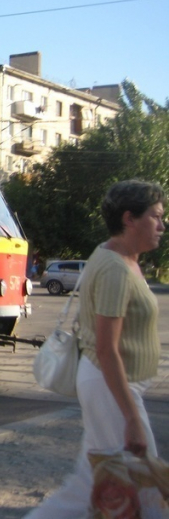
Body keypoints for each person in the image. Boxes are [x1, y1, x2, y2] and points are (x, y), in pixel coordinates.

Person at [24, 180, 164, 518]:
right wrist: (131, 416)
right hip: (112, 386)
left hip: (110, 384)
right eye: (156, 217)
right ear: (130, 219)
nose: (162, 225)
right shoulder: (116, 268)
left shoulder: (120, 258)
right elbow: (106, 348)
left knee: (90, 484)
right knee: (144, 485)